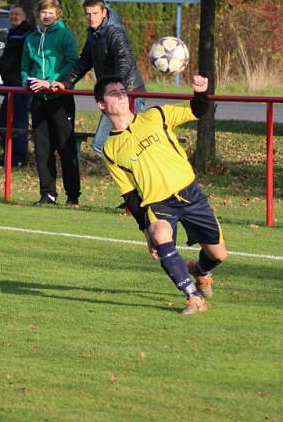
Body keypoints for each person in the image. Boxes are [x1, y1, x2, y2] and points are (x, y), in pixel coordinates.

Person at [93, 74, 227, 315]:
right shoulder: (110, 150)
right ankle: (193, 298)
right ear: (101, 104)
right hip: (158, 204)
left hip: (189, 194)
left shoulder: (156, 115)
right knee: (160, 234)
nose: (121, 95)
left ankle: (201, 271)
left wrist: (200, 92)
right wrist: (147, 233)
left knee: (218, 254)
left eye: (123, 90)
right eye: (114, 92)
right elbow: (131, 196)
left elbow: (198, 109)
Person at [63, 0, 146, 156]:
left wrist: (116, 87)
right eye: (88, 14)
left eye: (95, 13)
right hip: (113, 94)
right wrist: (66, 82)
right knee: (114, 146)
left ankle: (136, 177)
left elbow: (125, 60)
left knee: (105, 145)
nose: (91, 18)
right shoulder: (94, 35)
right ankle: (130, 177)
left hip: (128, 94)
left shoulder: (115, 32)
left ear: (104, 12)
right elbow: (84, 62)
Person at [20, 0, 80, 206]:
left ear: (57, 14)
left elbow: (73, 62)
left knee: (66, 148)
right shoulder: (30, 38)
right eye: (43, 12)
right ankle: (48, 193)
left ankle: (73, 196)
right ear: (38, 14)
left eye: (51, 12)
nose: (47, 16)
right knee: (43, 150)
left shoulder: (64, 34)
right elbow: (25, 66)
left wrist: (53, 81)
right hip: (38, 99)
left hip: (60, 98)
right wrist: (26, 81)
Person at [0, 4, 33, 166]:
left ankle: (19, 157)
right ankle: (10, 154)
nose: (13, 17)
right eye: (11, 14)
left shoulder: (27, 32)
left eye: (17, 14)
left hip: (20, 83)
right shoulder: (13, 32)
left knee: (18, 120)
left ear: (25, 16)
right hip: (10, 83)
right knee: (3, 120)